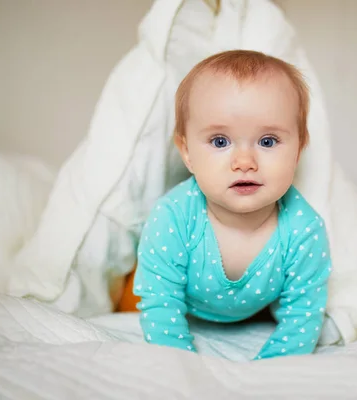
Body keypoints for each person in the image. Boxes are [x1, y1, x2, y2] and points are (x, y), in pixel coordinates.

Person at [133, 49, 332, 360]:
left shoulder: (304, 230)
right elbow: (160, 305)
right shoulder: (172, 218)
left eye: (267, 141)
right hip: (183, 294)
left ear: (298, 149)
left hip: (256, 305)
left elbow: (303, 315)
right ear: (186, 152)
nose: (244, 162)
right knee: (132, 292)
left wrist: (266, 374)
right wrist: (184, 367)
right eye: (220, 141)